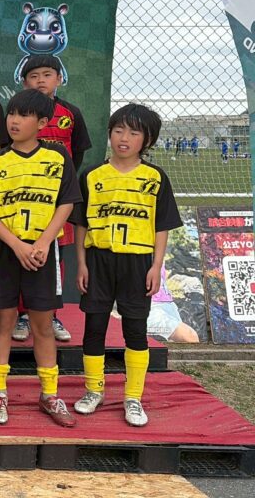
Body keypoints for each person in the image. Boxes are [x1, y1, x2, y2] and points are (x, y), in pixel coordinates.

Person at [0, 89, 82, 427]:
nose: (14, 121)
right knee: (4, 322)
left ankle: (49, 394)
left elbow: (66, 202)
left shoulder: (57, 157)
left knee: (42, 325)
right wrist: (15, 245)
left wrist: (44, 241)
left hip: (42, 252)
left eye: (23, 115)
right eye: (12, 114)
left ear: (43, 122)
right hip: (7, 251)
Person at [71, 104, 182, 426]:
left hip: (137, 262)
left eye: (134, 133)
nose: (124, 138)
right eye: (118, 130)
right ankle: (94, 390)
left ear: (147, 140)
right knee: (94, 327)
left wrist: (156, 266)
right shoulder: (92, 175)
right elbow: (81, 225)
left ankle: (133, 397)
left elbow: (161, 226)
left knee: (135, 329)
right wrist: (81, 264)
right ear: (109, 133)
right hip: (98, 260)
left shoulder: (155, 177)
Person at [12, 55, 91, 343]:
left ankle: (51, 315)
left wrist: (61, 183)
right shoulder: (17, 113)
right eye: (34, 76)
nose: (41, 81)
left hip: (56, 199)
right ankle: (22, 315)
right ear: (24, 82)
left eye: (47, 74)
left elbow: (77, 153)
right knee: (21, 255)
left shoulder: (71, 113)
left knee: (54, 256)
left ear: (59, 79)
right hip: (21, 196)